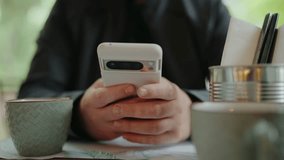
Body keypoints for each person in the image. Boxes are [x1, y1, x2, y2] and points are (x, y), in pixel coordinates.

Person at [18, 0, 230, 144]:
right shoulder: (70, 7)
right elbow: (30, 99)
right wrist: (79, 115)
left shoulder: (208, 8)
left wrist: (194, 113)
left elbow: (242, 95)